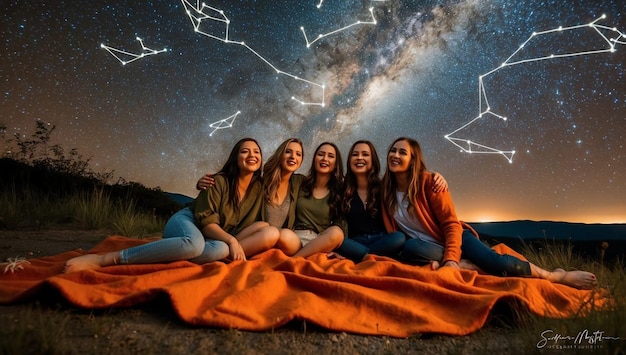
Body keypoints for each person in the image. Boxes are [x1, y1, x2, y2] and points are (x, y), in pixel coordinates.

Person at [380, 137, 597, 290]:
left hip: (456, 239)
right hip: (426, 248)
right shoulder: (385, 192)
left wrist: (452, 261)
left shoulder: (431, 183)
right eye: (393, 150)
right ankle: (470, 264)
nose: (395, 155)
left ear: (413, 160)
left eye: (402, 152)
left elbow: (451, 225)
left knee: (498, 264)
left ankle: (556, 275)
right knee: (409, 248)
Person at [64, 138, 278, 272]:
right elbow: (205, 220)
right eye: (245, 151)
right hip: (189, 221)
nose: (252, 155)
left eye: (257, 152)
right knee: (194, 245)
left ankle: (167, 252)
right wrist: (232, 240)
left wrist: (231, 241)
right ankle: (106, 260)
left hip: (213, 238)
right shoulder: (218, 181)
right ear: (236, 157)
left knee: (220, 250)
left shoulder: (259, 189)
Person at [336, 140, 449, 263]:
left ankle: (362, 256)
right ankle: (369, 256)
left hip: (383, 240)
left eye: (365, 154)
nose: (359, 158)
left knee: (399, 238)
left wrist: (435, 175)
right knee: (338, 239)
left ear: (373, 160)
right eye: (355, 154)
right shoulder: (342, 190)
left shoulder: (385, 187)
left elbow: (410, 180)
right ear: (349, 160)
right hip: (356, 241)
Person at [197, 138, 305, 255]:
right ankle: (226, 251)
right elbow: (237, 179)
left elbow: (322, 183)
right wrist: (202, 183)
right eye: (288, 152)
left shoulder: (299, 183)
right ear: (280, 154)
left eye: (298, 154)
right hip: (258, 237)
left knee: (279, 232)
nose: (293, 157)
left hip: (278, 240)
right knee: (266, 228)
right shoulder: (261, 183)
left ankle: (225, 251)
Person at [287, 142, 346, 258]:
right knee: (284, 234)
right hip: (295, 238)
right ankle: (303, 257)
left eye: (330, 156)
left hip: (319, 241)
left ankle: (295, 260)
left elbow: (341, 223)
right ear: (314, 159)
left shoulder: (339, 191)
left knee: (337, 233)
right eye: (321, 154)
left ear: (336, 164)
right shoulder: (300, 182)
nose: (325, 159)